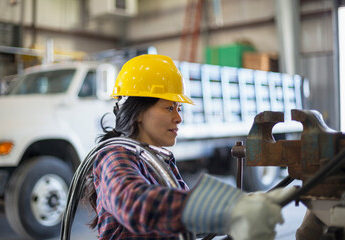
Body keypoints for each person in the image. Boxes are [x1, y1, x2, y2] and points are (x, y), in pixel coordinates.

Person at [84, 54, 295, 240]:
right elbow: (134, 203)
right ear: (137, 112)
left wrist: (246, 205)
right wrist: (230, 209)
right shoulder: (115, 155)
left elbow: (183, 221)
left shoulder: (158, 160)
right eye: (169, 108)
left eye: (179, 108)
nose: (178, 118)